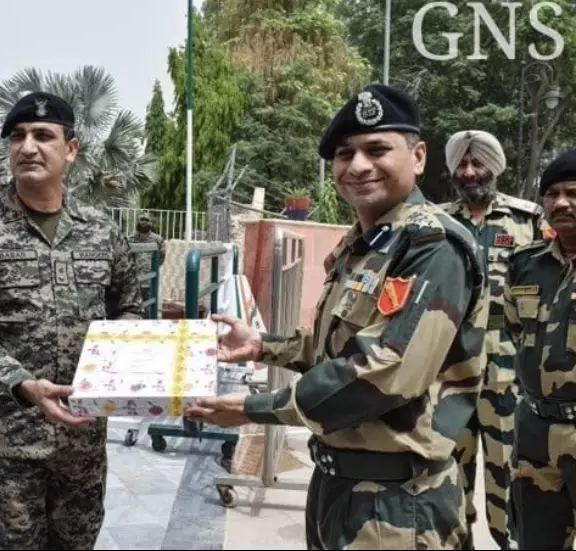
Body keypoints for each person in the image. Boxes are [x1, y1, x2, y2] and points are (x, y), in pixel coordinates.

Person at [185, 84, 490, 550]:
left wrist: (254, 409)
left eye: (377, 149)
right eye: (345, 153)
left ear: (420, 156)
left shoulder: (433, 248)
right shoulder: (364, 246)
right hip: (340, 487)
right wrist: (263, 345)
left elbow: (385, 370)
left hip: (398, 506)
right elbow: (337, 347)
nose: (359, 165)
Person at [0, 91, 144, 550]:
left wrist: (125, 372)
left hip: (83, 437)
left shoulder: (101, 230)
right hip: (10, 438)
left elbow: (129, 310)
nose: (27, 146)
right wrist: (22, 384)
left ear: (71, 150)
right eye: (17, 136)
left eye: (43, 135)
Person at [439, 130, 549, 550]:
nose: (469, 172)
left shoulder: (529, 220)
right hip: (449, 374)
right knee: (450, 475)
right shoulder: (438, 222)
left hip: (508, 375)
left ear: (495, 167)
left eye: (477, 163)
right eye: (462, 165)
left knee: (510, 477)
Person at [504, 149, 576, 549]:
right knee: (536, 540)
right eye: (551, 193)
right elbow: (516, 330)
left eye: (571, 192)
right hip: (535, 430)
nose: (560, 202)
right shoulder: (524, 264)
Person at [127, 211, 166, 305]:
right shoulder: (130, 239)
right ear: (138, 221)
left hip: (150, 281)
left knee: (149, 307)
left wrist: (152, 268)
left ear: (151, 223)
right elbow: (126, 257)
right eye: (142, 219)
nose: (144, 222)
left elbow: (161, 257)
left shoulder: (158, 239)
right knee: (134, 307)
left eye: (147, 220)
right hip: (134, 281)